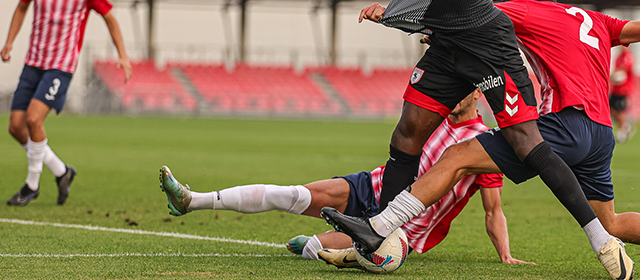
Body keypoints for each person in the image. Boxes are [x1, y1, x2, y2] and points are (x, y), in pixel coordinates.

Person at [323, 0, 640, 278]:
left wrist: (394, 14)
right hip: (600, 134)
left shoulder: (526, 10)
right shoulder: (594, 19)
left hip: (563, 124)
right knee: (611, 222)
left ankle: (379, 226)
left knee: (456, 157)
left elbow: (471, 18)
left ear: (521, 0)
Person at [354, 0, 628, 278]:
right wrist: (399, 11)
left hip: (487, 45)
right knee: (408, 134)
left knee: (526, 142)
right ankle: (386, 235)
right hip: (447, 47)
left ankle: (602, 240)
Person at [159, 90, 533, 268]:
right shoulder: (430, 116)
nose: (453, 91)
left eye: (463, 86)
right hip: (369, 186)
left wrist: (505, 255)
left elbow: (492, 210)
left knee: (313, 250)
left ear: (477, 93)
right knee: (292, 195)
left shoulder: (483, 145)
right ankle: (192, 200)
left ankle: (317, 242)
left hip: (398, 228)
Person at [2, 0, 132, 206]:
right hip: (33, 62)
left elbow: (110, 18)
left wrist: (122, 54)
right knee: (15, 127)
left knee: (34, 120)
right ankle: (62, 171)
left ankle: (31, 186)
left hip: (60, 66)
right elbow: (22, 7)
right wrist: (10, 41)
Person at [610, 46, 635, 143]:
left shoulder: (628, 57)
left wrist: (614, 75)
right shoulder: (618, 57)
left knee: (620, 111)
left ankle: (622, 132)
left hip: (624, 89)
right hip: (615, 89)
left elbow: (624, 70)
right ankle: (625, 126)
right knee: (612, 111)